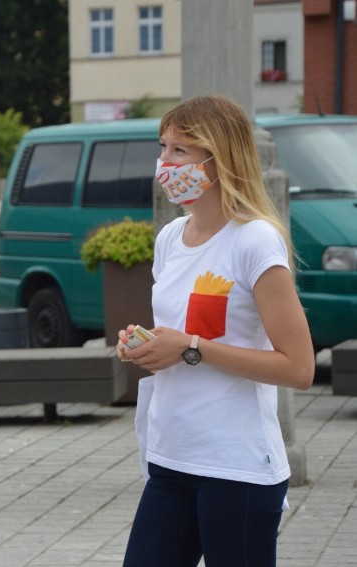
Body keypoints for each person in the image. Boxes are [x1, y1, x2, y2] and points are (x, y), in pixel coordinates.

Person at [116, 95, 315, 567]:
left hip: (237, 467)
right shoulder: (170, 238)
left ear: (220, 157)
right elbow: (179, 337)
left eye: (180, 151)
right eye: (162, 147)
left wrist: (190, 347)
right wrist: (146, 345)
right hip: (170, 458)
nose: (164, 162)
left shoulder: (255, 240)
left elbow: (299, 368)